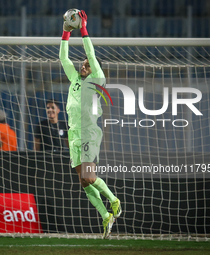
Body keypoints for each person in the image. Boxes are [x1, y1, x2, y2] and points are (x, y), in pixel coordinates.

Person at [59, 10, 122, 239]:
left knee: (89, 176)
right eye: (83, 64)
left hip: (89, 133)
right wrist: (65, 33)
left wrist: (83, 30)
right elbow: (63, 59)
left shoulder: (97, 80)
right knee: (83, 181)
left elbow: (92, 55)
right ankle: (105, 216)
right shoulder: (75, 80)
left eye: (86, 64)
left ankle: (114, 200)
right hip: (74, 133)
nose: (83, 66)